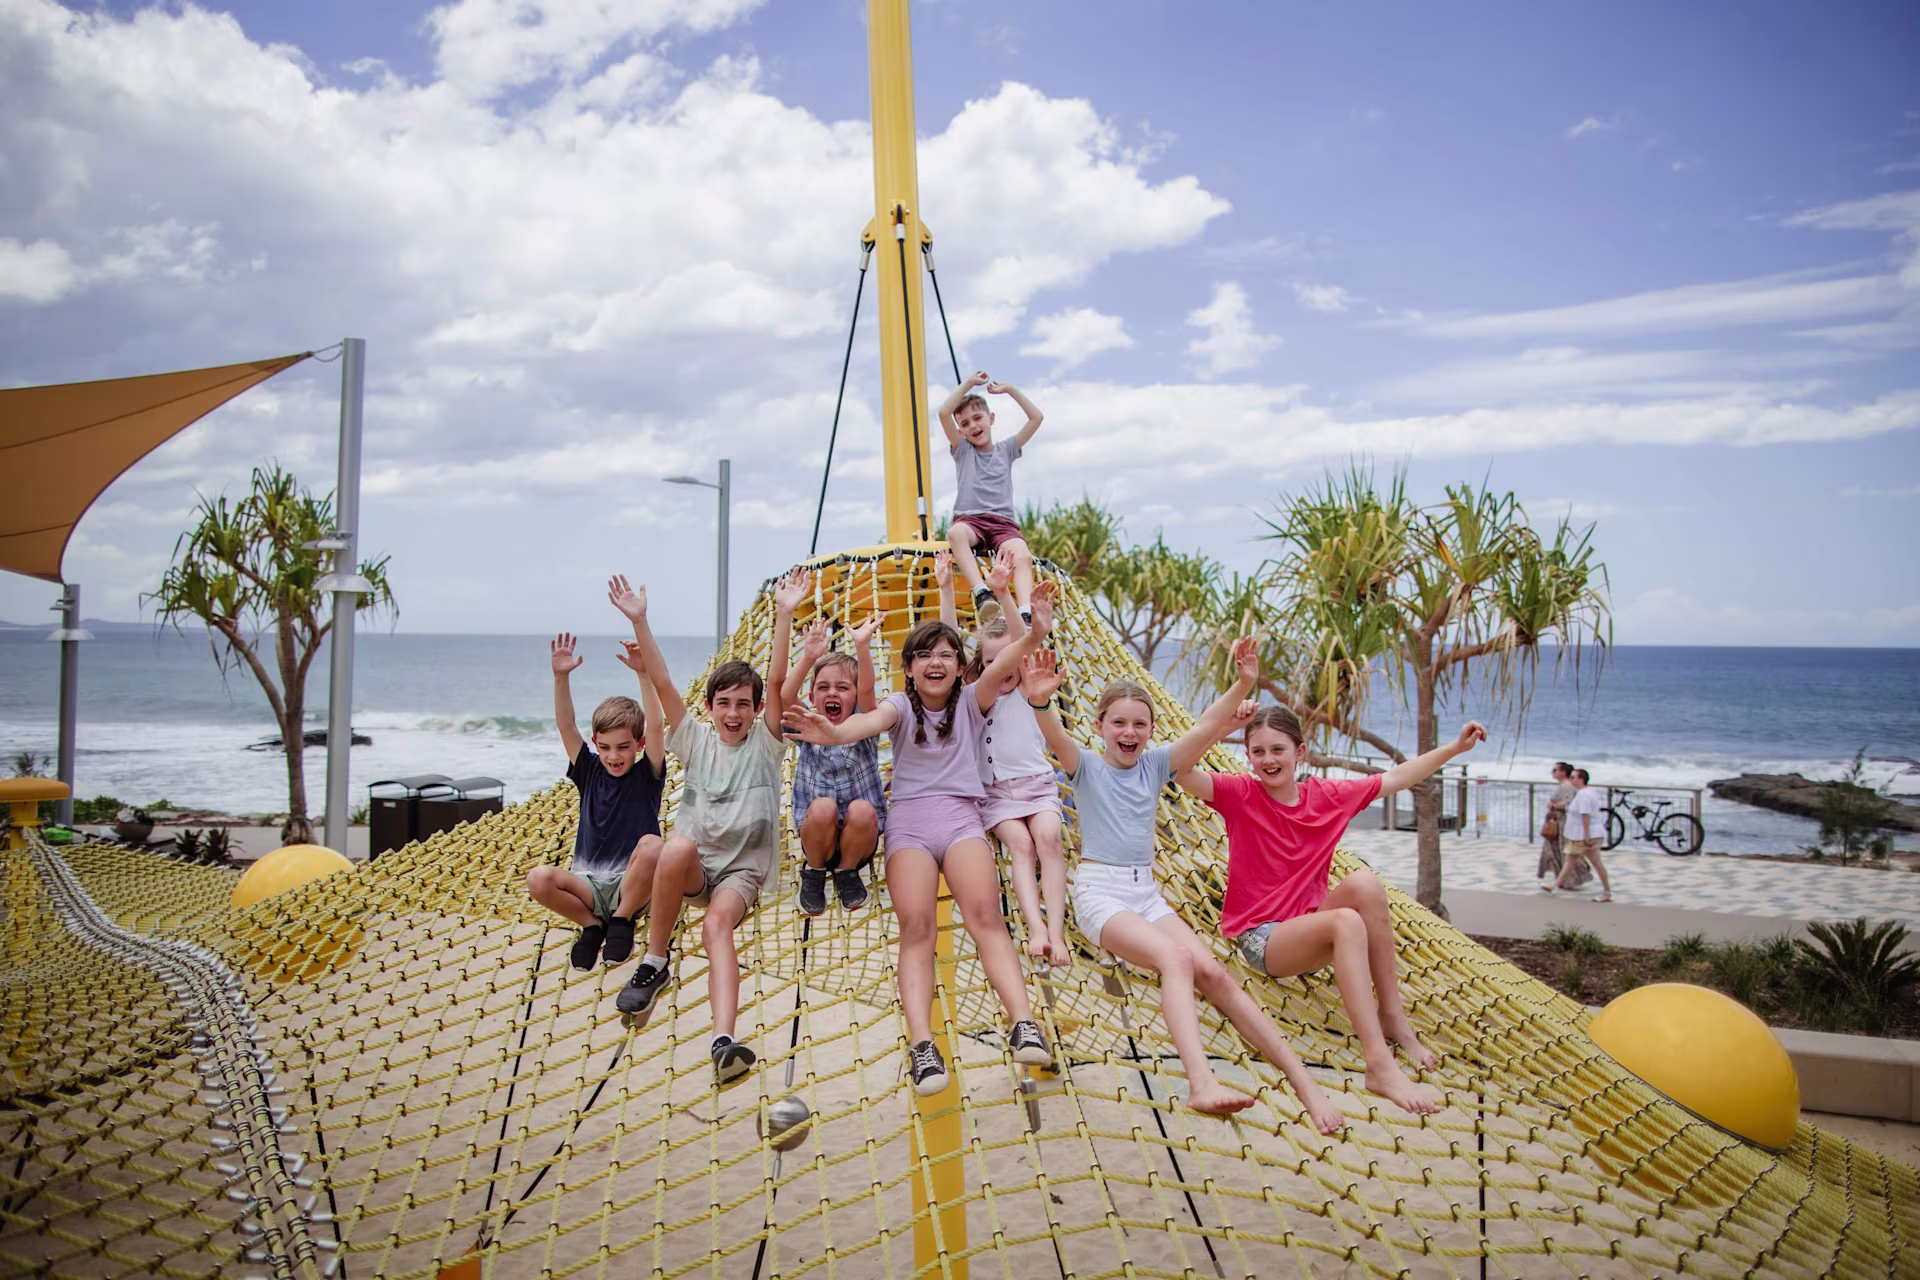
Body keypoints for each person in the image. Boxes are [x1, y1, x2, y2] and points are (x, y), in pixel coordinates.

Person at [1022, 643, 1345, 1132]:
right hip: (1100, 895)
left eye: (1139, 724)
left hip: (1146, 893)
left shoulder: (1155, 767)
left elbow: (1204, 728)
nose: (1129, 732)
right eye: (1119, 723)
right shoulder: (1085, 764)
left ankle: (1306, 1086)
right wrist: (1042, 702)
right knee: (1176, 960)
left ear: (1151, 731)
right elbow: (1053, 734)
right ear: (1100, 727)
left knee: (1214, 975)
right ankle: (1201, 1083)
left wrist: (1243, 683)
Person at [783, 582, 1061, 1097]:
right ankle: (922, 1047)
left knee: (985, 916)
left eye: (946, 654)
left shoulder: (974, 702)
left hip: (960, 821)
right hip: (909, 825)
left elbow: (1010, 660)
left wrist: (1037, 628)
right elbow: (866, 721)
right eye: (924, 655)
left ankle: (1022, 1021)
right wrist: (833, 732)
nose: (936, 662)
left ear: (960, 666)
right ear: (909, 667)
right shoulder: (900, 706)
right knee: (916, 927)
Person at [1178, 703, 1487, 1116]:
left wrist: (1453, 748)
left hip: (1310, 926)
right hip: (1263, 938)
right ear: (1248, 757)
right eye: (1258, 752)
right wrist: (1223, 728)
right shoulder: (1240, 794)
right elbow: (1179, 771)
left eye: (1278, 750)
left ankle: (1392, 1016)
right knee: (1345, 920)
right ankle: (1378, 1063)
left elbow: (1396, 777)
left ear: (1300, 752)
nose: (1268, 760)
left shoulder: (1326, 796)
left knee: (1365, 884)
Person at [607, 574, 789, 1088]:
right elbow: (663, 684)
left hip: (740, 876)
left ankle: (723, 1041)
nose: (734, 713)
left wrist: (783, 616)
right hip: (692, 866)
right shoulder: (696, 739)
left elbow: (776, 681)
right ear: (709, 708)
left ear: (755, 711)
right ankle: (655, 959)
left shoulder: (766, 745)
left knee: (715, 928)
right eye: (724, 703)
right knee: (674, 844)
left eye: (743, 704)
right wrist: (640, 619)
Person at [934, 548, 1070, 968]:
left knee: (1049, 838)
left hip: (1038, 786)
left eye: (1008, 658)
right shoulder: (976, 694)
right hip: (994, 796)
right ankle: (1033, 927)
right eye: (991, 660)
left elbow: (1024, 637)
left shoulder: (1033, 689)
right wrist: (943, 588)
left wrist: (1004, 594)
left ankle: (1058, 934)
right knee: (1019, 843)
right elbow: (948, 643)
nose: (1002, 667)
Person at [525, 629, 666, 972]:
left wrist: (644, 674)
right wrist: (561, 678)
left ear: (639, 743)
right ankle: (592, 925)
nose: (613, 756)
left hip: (630, 886)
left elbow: (659, 725)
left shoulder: (647, 774)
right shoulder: (589, 771)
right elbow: (565, 725)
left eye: (622, 747)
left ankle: (621, 919)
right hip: (587, 884)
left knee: (653, 846)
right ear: (595, 743)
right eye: (604, 747)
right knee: (537, 879)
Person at [776, 587, 886, 916]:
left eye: (842, 687)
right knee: (822, 807)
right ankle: (814, 871)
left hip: (860, 837)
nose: (832, 693)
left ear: (853, 697)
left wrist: (862, 647)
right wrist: (809, 656)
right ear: (813, 695)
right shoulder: (807, 724)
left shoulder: (862, 724)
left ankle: (847, 871)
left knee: (863, 810)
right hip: (817, 836)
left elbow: (867, 688)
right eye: (823, 687)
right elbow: (785, 695)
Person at [938, 371, 1043, 622]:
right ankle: (981, 592)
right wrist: (969, 385)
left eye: (977, 418)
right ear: (960, 431)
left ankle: (1025, 612)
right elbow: (943, 413)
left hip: (1003, 523)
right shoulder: (962, 451)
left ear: (991, 418)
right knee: (955, 533)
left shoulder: (1007, 449)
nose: (973, 426)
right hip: (971, 520)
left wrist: (1011, 390)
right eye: (964, 424)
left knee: (1023, 555)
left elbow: (1036, 418)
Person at [1548, 768, 1612, 901]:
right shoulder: (1589, 793)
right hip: (1586, 834)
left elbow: (1586, 815)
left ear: (1581, 780)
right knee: (1572, 860)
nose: (1570, 780)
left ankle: (1607, 892)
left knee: (1587, 862)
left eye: (1573, 777)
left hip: (1583, 835)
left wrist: (1586, 835)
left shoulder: (1583, 795)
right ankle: (1555, 885)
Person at [1536, 762, 1591, 889]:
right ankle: (1563, 879)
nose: (1553, 772)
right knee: (1563, 851)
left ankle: (1569, 878)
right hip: (1560, 821)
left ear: (1562, 772)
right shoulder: (1565, 786)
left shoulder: (1566, 787)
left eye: (1555, 770)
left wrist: (1553, 805)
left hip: (1562, 821)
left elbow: (1566, 804)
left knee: (1564, 850)